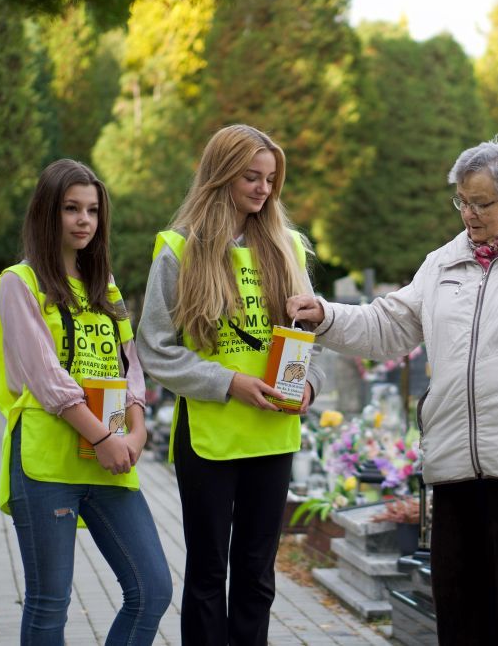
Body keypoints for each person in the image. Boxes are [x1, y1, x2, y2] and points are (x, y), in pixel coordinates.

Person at [288, 139, 498, 646]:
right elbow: (389, 326)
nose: (468, 214)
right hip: (454, 466)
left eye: (481, 203)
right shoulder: (443, 262)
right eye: (462, 201)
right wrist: (326, 315)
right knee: (458, 617)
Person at [137, 124, 325, 645]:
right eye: (251, 177)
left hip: (273, 436)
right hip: (209, 439)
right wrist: (228, 382)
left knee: (257, 578)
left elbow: (314, 334)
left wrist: (310, 386)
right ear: (220, 176)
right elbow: (155, 347)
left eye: (271, 179)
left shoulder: (289, 247)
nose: (264, 189)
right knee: (205, 576)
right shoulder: (179, 249)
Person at [0, 159, 172, 644]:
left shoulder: (104, 286)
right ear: (47, 213)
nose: (84, 220)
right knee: (50, 603)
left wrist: (137, 431)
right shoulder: (18, 283)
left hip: (109, 456)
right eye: (71, 208)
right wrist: (105, 437)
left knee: (152, 589)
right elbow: (47, 378)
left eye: (92, 210)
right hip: (48, 462)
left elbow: (129, 365)